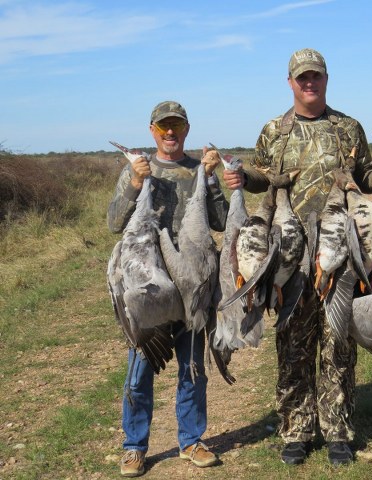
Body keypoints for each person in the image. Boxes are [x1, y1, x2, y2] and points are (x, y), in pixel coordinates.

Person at [222, 48, 372, 466]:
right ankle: (296, 430)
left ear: (326, 79)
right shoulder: (274, 130)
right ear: (290, 82)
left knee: (339, 341)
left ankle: (338, 431)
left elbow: (365, 178)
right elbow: (262, 178)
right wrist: (240, 175)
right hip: (289, 254)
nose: (309, 83)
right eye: (302, 77)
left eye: (316, 76)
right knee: (293, 343)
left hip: (341, 252)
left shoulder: (347, 127)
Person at [107, 101, 229, 477]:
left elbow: (222, 221)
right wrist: (135, 183)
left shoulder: (197, 169)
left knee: (192, 367)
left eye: (176, 125)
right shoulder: (137, 170)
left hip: (192, 286)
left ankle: (191, 441)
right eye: (163, 127)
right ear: (152, 131)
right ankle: (134, 446)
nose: (170, 132)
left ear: (186, 129)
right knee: (140, 369)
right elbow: (114, 223)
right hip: (149, 290)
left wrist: (209, 178)